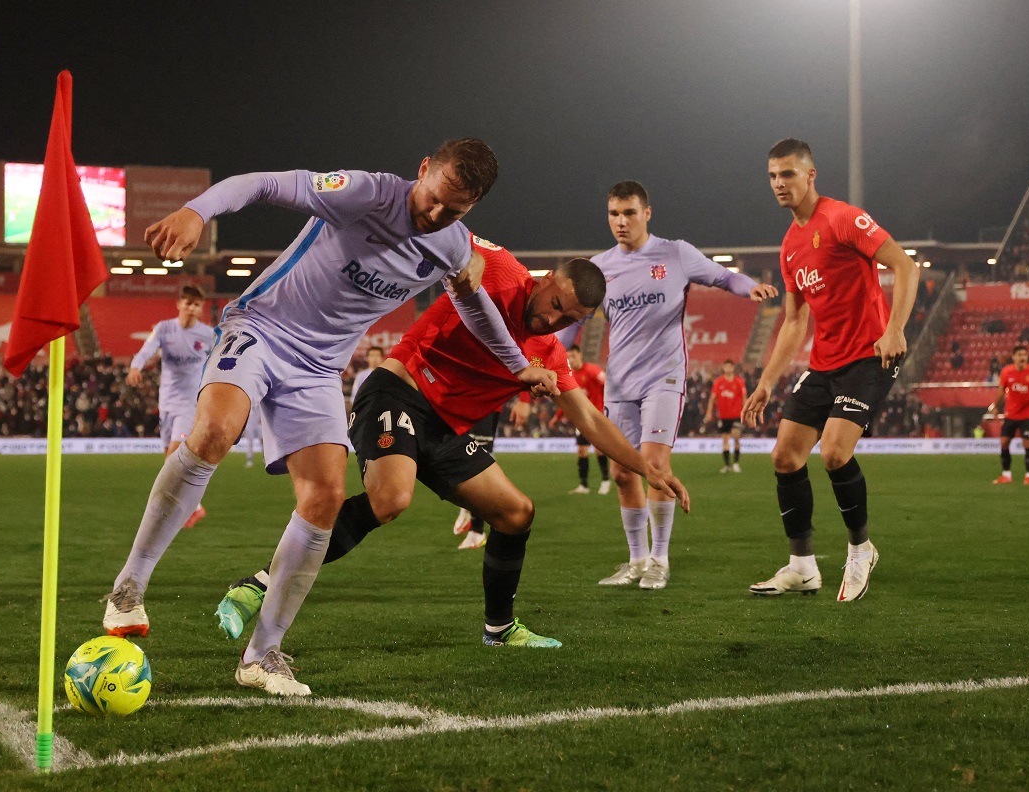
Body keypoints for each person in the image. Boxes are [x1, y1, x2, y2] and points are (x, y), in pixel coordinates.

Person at [101, 139, 561, 697]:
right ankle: (129, 586)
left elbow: (474, 304)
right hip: (261, 330)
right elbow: (262, 183)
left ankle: (261, 656)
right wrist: (197, 211)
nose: (436, 213)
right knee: (216, 432)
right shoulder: (364, 193)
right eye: (436, 196)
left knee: (324, 498)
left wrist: (518, 365)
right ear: (423, 169)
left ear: (472, 208)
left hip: (320, 371)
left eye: (455, 209)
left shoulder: (451, 243)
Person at [214, 238, 690, 662]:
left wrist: (647, 468)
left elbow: (589, 418)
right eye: (555, 305)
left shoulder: (549, 353)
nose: (552, 320)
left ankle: (500, 629)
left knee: (516, 513)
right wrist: (466, 256)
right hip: (398, 392)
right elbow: (446, 234)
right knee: (391, 498)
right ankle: (257, 585)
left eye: (569, 319)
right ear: (547, 279)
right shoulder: (501, 268)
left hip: (445, 430)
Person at [561, 180, 777, 591]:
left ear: (647, 213)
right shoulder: (598, 268)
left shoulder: (675, 253)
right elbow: (571, 322)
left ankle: (659, 559)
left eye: (629, 213)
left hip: (664, 376)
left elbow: (723, 277)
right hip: (619, 383)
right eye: (613, 214)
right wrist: (546, 356)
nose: (621, 221)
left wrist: (750, 287)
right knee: (622, 472)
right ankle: (637, 560)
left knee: (655, 466)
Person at [742, 138, 919, 602]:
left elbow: (905, 266)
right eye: (772, 176)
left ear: (810, 174)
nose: (779, 183)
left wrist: (895, 329)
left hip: (871, 354)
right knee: (785, 457)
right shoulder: (789, 246)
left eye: (787, 174)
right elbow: (795, 321)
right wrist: (766, 381)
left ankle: (861, 550)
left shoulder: (842, 218)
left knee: (835, 453)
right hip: (825, 362)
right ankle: (802, 567)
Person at [126, 285, 216, 526]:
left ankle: (189, 507)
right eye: (188, 303)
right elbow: (146, 350)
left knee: (175, 456)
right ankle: (192, 505)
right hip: (166, 401)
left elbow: (219, 360)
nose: (191, 308)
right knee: (169, 457)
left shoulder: (208, 335)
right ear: (179, 304)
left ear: (201, 308)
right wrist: (135, 367)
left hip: (190, 403)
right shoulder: (164, 329)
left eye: (196, 304)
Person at [989, 344, 1029, 485]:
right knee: (1004, 443)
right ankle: (1006, 475)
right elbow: (1001, 390)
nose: (1022, 357)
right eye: (1019, 355)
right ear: (1013, 357)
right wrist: (995, 406)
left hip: (1028, 414)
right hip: (1011, 413)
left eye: (1024, 355)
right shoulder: (1006, 372)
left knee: (1027, 444)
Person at [559, 344, 611, 494]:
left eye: (573, 356)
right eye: (568, 357)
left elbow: (608, 385)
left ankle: (605, 480)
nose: (571, 359)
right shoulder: (569, 376)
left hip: (597, 415)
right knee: (582, 450)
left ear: (580, 355)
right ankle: (584, 485)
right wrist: (558, 416)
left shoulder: (593, 370)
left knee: (599, 449)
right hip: (581, 417)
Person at [450, 410, 504, 549]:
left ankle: (476, 529)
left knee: (477, 458)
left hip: (483, 403)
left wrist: (524, 400)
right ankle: (470, 515)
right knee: (471, 453)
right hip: (472, 403)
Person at [704, 359, 747, 473]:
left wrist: (746, 411)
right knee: (725, 440)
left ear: (733, 368)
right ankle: (727, 465)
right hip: (724, 416)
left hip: (736, 415)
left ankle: (736, 463)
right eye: (726, 366)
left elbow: (744, 398)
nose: (728, 368)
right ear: (723, 368)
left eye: (730, 366)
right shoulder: (718, 382)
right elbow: (712, 398)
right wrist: (709, 412)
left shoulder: (739, 381)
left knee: (736, 436)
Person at [349, 345, 384, 409]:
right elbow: (354, 396)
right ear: (367, 358)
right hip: (365, 408)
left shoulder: (387, 375)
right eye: (372, 355)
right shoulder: (361, 376)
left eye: (377, 355)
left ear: (382, 358)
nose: (374, 358)